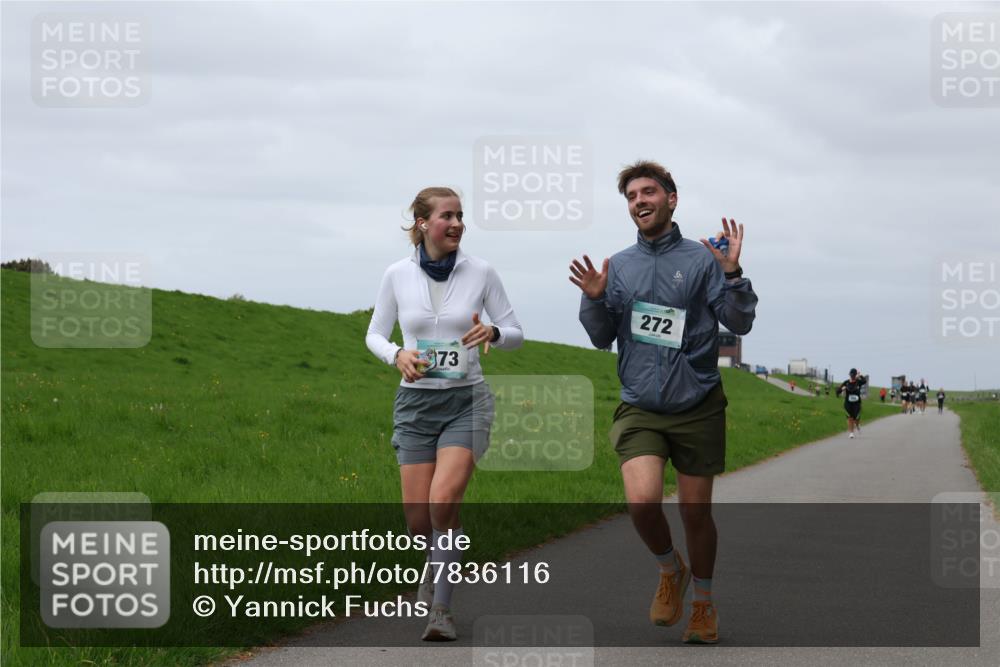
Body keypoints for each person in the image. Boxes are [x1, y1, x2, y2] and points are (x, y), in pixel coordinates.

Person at [569, 160, 757, 644]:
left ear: (672, 199)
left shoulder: (701, 260)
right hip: (641, 405)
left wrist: (732, 273)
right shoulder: (620, 266)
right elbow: (601, 336)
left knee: (696, 514)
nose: (639, 202)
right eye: (631, 196)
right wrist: (594, 298)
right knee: (641, 500)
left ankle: (704, 605)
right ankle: (670, 569)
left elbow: (738, 324)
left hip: (697, 402)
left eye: (648, 192)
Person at [366, 186, 523, 641]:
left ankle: (442, 610)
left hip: (466, 401)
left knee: (443, 502)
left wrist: (493, 331)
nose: (456, 224)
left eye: (460, 216)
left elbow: (516, 331)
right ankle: (432, 561)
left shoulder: (482, 272)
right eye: (447, 216)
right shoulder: (397, 274)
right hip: (415, 404)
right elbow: (374, 333)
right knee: (418, 521)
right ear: (422, 223)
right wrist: (396, 354)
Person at [836, 368, 867, 438]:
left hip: (857, 403)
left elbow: (864, 381)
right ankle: (851, 433)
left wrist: (860, 375)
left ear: (856, 375)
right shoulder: (846, 382)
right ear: (850, 375)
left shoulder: (858, 382)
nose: (852, 376)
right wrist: (841, 389)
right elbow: (837, 391)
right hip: (848, 403)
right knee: (850, 418)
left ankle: (857, 425)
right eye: (851, 375)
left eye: (854, 375)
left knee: (856, 418)